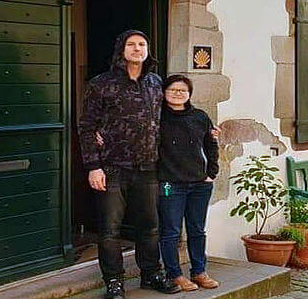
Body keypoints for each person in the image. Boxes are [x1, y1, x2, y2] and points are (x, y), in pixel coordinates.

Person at [78, 30, 181, 299]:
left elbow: (175, 115)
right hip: (111, 168)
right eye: (131, 44)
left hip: (148, 168)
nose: (137, 49)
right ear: (121, 50)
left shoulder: (156, 83)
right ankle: (114, 283)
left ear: (147, 50)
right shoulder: (101, 84)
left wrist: (205, 131)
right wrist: (93, 166)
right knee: (110, 231)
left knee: (150, 226)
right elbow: (87, 126)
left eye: (142, 44)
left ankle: (151, 274)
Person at [157, 75, 221, 292]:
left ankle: (199, 271)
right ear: (164, 92)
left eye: (183, 90)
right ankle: (174, 274)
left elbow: (211, 144)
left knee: (197, 230)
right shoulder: (156, 118)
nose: (178, 93)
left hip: (199, 185)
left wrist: (211, 172)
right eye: (173, 89)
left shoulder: (199, 117)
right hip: (169, 185)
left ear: (189, 94)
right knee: (171, 232)